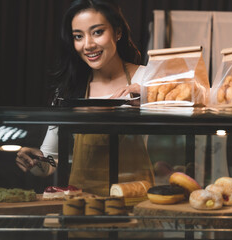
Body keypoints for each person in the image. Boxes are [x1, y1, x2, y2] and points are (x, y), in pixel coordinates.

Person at [16, 0, 154, 196]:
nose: (88, 45)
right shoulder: (68, 91)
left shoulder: (146, 78)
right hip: (84, 207)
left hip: (135, 203)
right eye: (78, 36)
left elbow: (196, 104)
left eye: (97, 32)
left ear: (118, 32)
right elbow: (50, 161)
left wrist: (149, 96)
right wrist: (34, 162)